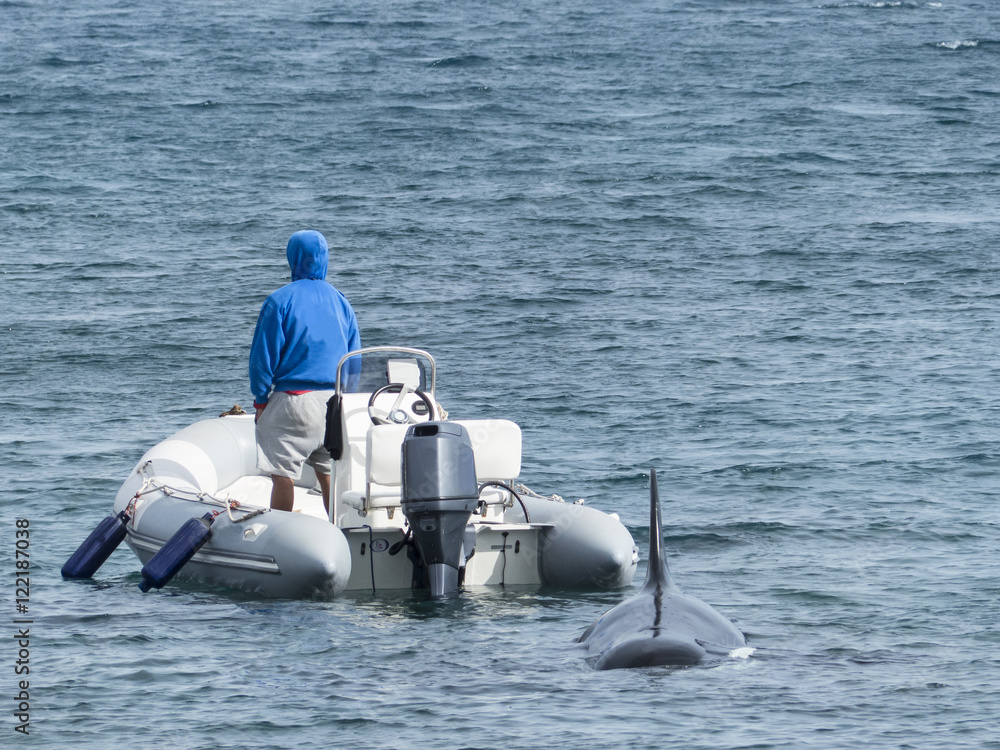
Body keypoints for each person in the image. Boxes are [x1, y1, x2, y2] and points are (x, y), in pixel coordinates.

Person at [249, 230, 361, 514]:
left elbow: (263, 358)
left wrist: (261, 400)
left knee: (282, 475)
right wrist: (344, 400)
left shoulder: (279, 301)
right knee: (327, 475)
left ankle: (280, 533)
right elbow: (353, 361)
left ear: (293, 258)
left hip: (293, 402)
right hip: (332, 403)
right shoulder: (342, 302)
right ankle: (341, 532)